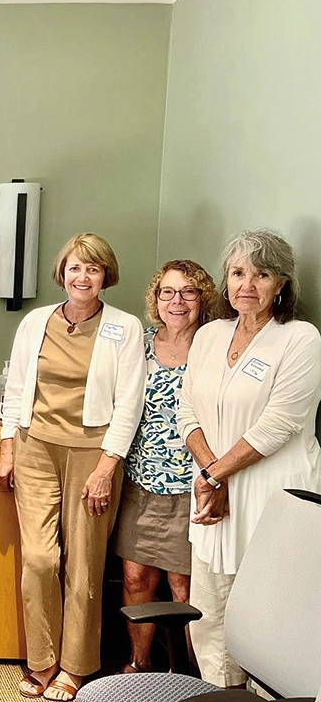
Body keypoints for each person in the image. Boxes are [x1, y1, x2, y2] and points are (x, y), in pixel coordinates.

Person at [0, 233, 144, 702]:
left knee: (84, 564)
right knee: (40, 559)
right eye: (75, 267)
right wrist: (7, 447)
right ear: (62, 273)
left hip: (93, 453)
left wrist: (107, 466)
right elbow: (16, 387)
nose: (83, 277)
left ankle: (76, 666)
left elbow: (129, 404)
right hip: (35, 447)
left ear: (106, 276)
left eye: (93, 269)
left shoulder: (124, 327)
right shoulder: (35, 322)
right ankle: (42, 657)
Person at [177, 230, 321, 688]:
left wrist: (213, 476)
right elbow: (187, 411)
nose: (247, 284)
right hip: (213, 496)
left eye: (261, 275)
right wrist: (212, 477)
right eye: (238, 273)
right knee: (209, 612)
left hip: (271, 497)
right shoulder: (209, 336)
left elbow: (279, 424)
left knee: (267, 619)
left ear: (282, 284)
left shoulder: (298, 338)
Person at [112, 260, 219, 673]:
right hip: (141, 481)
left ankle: (185, 673)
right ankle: (139, 663)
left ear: (202, 299)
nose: (177, 301)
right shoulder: (139, 344)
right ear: (155, 299)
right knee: (136, 577)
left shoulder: (214, 345)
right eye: (168, 292)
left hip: (193, 484)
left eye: (188, 292)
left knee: (183, 584)